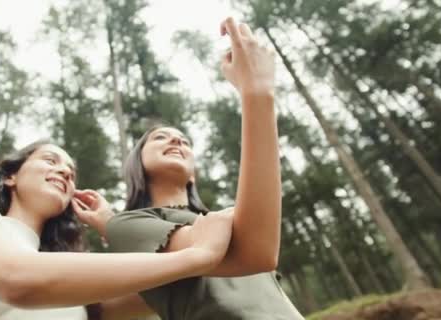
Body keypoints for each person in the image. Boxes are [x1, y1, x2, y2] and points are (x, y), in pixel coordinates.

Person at [79, 18, 305, 319]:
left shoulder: (227, 223)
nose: (175, 139)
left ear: (194, 173)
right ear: (137, 165)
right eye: (159, 138)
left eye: (184, 140)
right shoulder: (129, 225)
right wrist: (257, 93)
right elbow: (257, 252)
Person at [0, 140, 233, 319]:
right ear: (12, 176)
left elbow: (166, 290)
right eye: (50, 160)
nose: (64, 171)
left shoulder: (70, 282)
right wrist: (196, 257)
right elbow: (15, 277)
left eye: (72, 172)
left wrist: (114, 228)